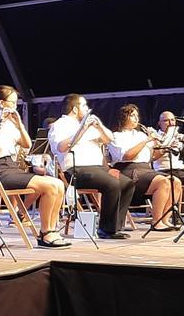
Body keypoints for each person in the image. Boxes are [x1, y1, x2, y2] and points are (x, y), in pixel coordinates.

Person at [0, 85, 71, 247]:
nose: (15, 107)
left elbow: (27, 145)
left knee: (58, 185)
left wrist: (19, 124)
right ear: (2, 103)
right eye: (12, 103)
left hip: (12, 167)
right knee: (49, 186)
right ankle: (45, 233)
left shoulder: (11, 126)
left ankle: (52, 229)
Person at [49, 94, 136, 239]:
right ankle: (106, 230)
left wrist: (99, 126)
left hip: (99, 169)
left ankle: (115, 225)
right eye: (84, 106)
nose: (87, 108)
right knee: (112, 184)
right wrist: (82, 129)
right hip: (77, 171)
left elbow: (109, 139)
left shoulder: (88, 125)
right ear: (75, 109)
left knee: (127, 183)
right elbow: (62, 147)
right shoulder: (60, 125)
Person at [108, 104, 183, 231]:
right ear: (123, 117)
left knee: (176, 182)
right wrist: (147, 140)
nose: (136, 118)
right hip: (128, 170)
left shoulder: (140, 134)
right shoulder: (115, 136)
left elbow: (153, 156)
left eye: (137, 115)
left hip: (146, 169)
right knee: (164, 182)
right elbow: (127, 156)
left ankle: (165, 220)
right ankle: (156, 221)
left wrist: (165, 147)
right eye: (132, 115)